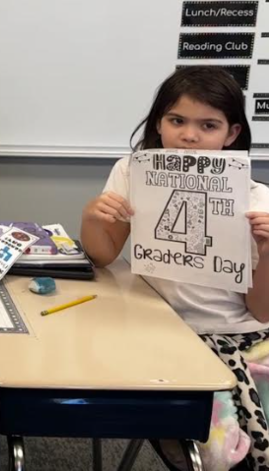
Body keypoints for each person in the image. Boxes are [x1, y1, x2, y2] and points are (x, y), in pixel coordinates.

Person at [80, 66, 269, 470]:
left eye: (209, 125)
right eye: (177, 120)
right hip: (159, 331)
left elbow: (263, 312)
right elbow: (103, 255)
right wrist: (93, 219)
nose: (189, 135)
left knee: (247, 451)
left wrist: (267, 252)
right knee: (212, 450)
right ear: (159, 124)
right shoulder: (133, 172)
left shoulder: (257, 201)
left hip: (237, 337)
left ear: (231, 134)